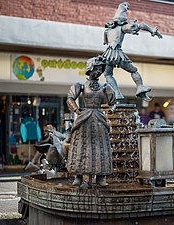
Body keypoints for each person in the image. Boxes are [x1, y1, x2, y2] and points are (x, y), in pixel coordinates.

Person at [66, 57, 116, 188]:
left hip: (99, 117)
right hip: (85, 117)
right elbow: (70, 98)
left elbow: (114, 103)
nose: (99, 72)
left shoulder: (104, 86)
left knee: (101, 146)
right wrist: (76, 109)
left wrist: (111, 109)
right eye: (97, 68)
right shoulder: (80, 85)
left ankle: (101, 177)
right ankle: (78, 176)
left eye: (101, 69)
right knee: (81, 145)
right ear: (90, 68)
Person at [101, 2, 162, 102]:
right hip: (117, 55)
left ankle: (117, 94)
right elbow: (141, 25)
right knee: (133, 70)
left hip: (107, 56)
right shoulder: (123, 27)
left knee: (108, 75)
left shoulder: (107, 30)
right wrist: (151, 30)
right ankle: (140, 87)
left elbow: (106, 42)